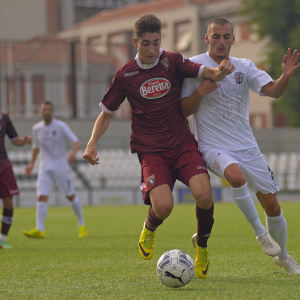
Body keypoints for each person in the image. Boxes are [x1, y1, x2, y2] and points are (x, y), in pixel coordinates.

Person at [83, 14, 234, 278]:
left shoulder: (172, 61)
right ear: (135, 42)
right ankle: (150, 228)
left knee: (204, 194)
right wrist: (92, 142)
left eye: (156, 43)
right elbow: (106, 112)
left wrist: (220, 70)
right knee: (164, 206)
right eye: (145, 44)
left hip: (181, 143)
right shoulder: (125, 74)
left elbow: (204, 72)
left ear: (160, 41)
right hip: (151, 149)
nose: (152, 49)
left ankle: (202, 244)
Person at [181, 18, 300, 274]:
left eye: (226, 37)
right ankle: (260, 234)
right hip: (212, 146)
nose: (221, 41)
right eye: (216, 36)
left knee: (273, 206)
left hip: (247, 147)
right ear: (206, 38)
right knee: (235, 176)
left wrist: (285, 76)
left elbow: (273, 92)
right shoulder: (195, 66)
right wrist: (200, 92)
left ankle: (283, 256)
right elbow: (183, 110)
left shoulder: (244, 67)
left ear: (233, 39)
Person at [23, 101, 88, 239]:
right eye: (44, 109)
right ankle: (39, 229)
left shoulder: (60, 126)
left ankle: (81, 225)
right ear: (40, 112)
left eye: (48, 109)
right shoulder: (36, 129)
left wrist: (73, 153)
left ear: (52, 112)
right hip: (45, 167)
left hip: (61, 166)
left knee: (70, 195)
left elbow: (75, 142)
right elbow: (35, 148)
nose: (46, 112)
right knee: (41, 196)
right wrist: (31, 164)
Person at [0, 112, 32, 249]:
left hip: (3, 162)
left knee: (8, 201)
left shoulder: (4, 117)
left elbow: (15, 140)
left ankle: (2, 239)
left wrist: (24, 141)